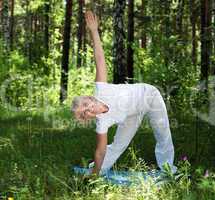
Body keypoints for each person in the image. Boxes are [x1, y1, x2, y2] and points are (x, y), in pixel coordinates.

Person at [72, 11, 177, 175]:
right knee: (118, 145)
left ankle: (168, 169)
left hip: (149, 96)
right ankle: (97, 170)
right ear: (88, 119)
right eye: (85, 114)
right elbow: (100, 151)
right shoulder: (102, 123)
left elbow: (99, 59)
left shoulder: (101, 89)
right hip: (131, 114)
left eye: (86, 105)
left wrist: (93, 31)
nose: (89, 110)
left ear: (89, 97)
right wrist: (93, 176)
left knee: (162, 133)